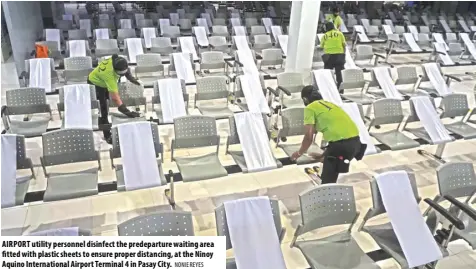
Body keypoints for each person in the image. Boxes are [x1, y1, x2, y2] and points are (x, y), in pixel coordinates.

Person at [291, 86, 366, 184]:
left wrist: (299, 153)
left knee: (328, 183)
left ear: (305, 99)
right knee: (332, 161)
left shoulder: (310, 108)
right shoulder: (330, 104)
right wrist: (323, 155)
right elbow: (338, 134)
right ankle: (327, 168)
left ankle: (327, 186)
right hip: (356, 145)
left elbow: (309, 137)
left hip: (340, 147)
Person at [87, 54, 141, 144]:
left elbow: (125, 69)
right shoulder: (110, 76)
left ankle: (105, 124)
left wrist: (130, 78)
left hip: (102, 79)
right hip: (95, 83)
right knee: (103, 108)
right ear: (115, 71)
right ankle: (107, 134)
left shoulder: (115, 59)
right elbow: (116, 98)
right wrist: (127, 112)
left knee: (107, 102)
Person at [320, 21, 347, 90]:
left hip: (329, 57)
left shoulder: (325, 35)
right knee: (340, 75)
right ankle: (341, 90)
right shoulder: (340, 34)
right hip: (339, 56)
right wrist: (344, 55)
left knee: (328, 74)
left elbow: (321, 46)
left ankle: (329, 89)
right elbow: (344, 45)